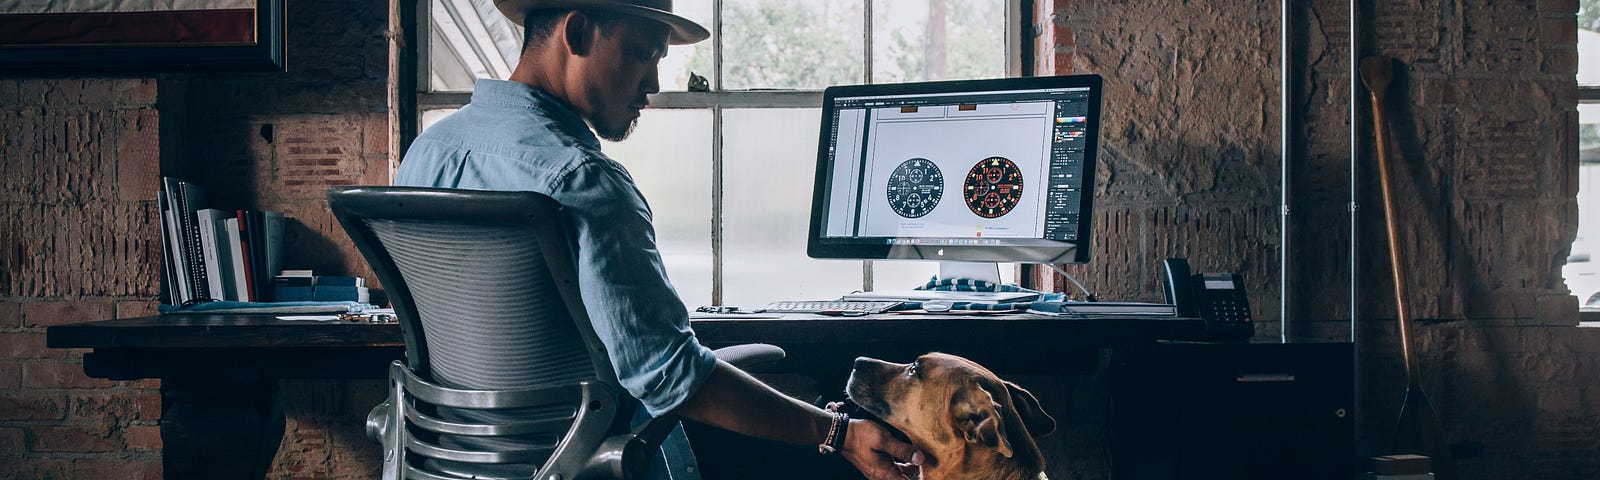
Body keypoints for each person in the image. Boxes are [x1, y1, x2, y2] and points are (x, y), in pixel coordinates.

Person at [392, 1, 919, 479]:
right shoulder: (584, 181)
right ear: (577, 34)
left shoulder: (425, 155)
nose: (654, 82)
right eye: (643, 53)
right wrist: (839, 434)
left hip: (447, 459)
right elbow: (670, 376)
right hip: (577, 462)